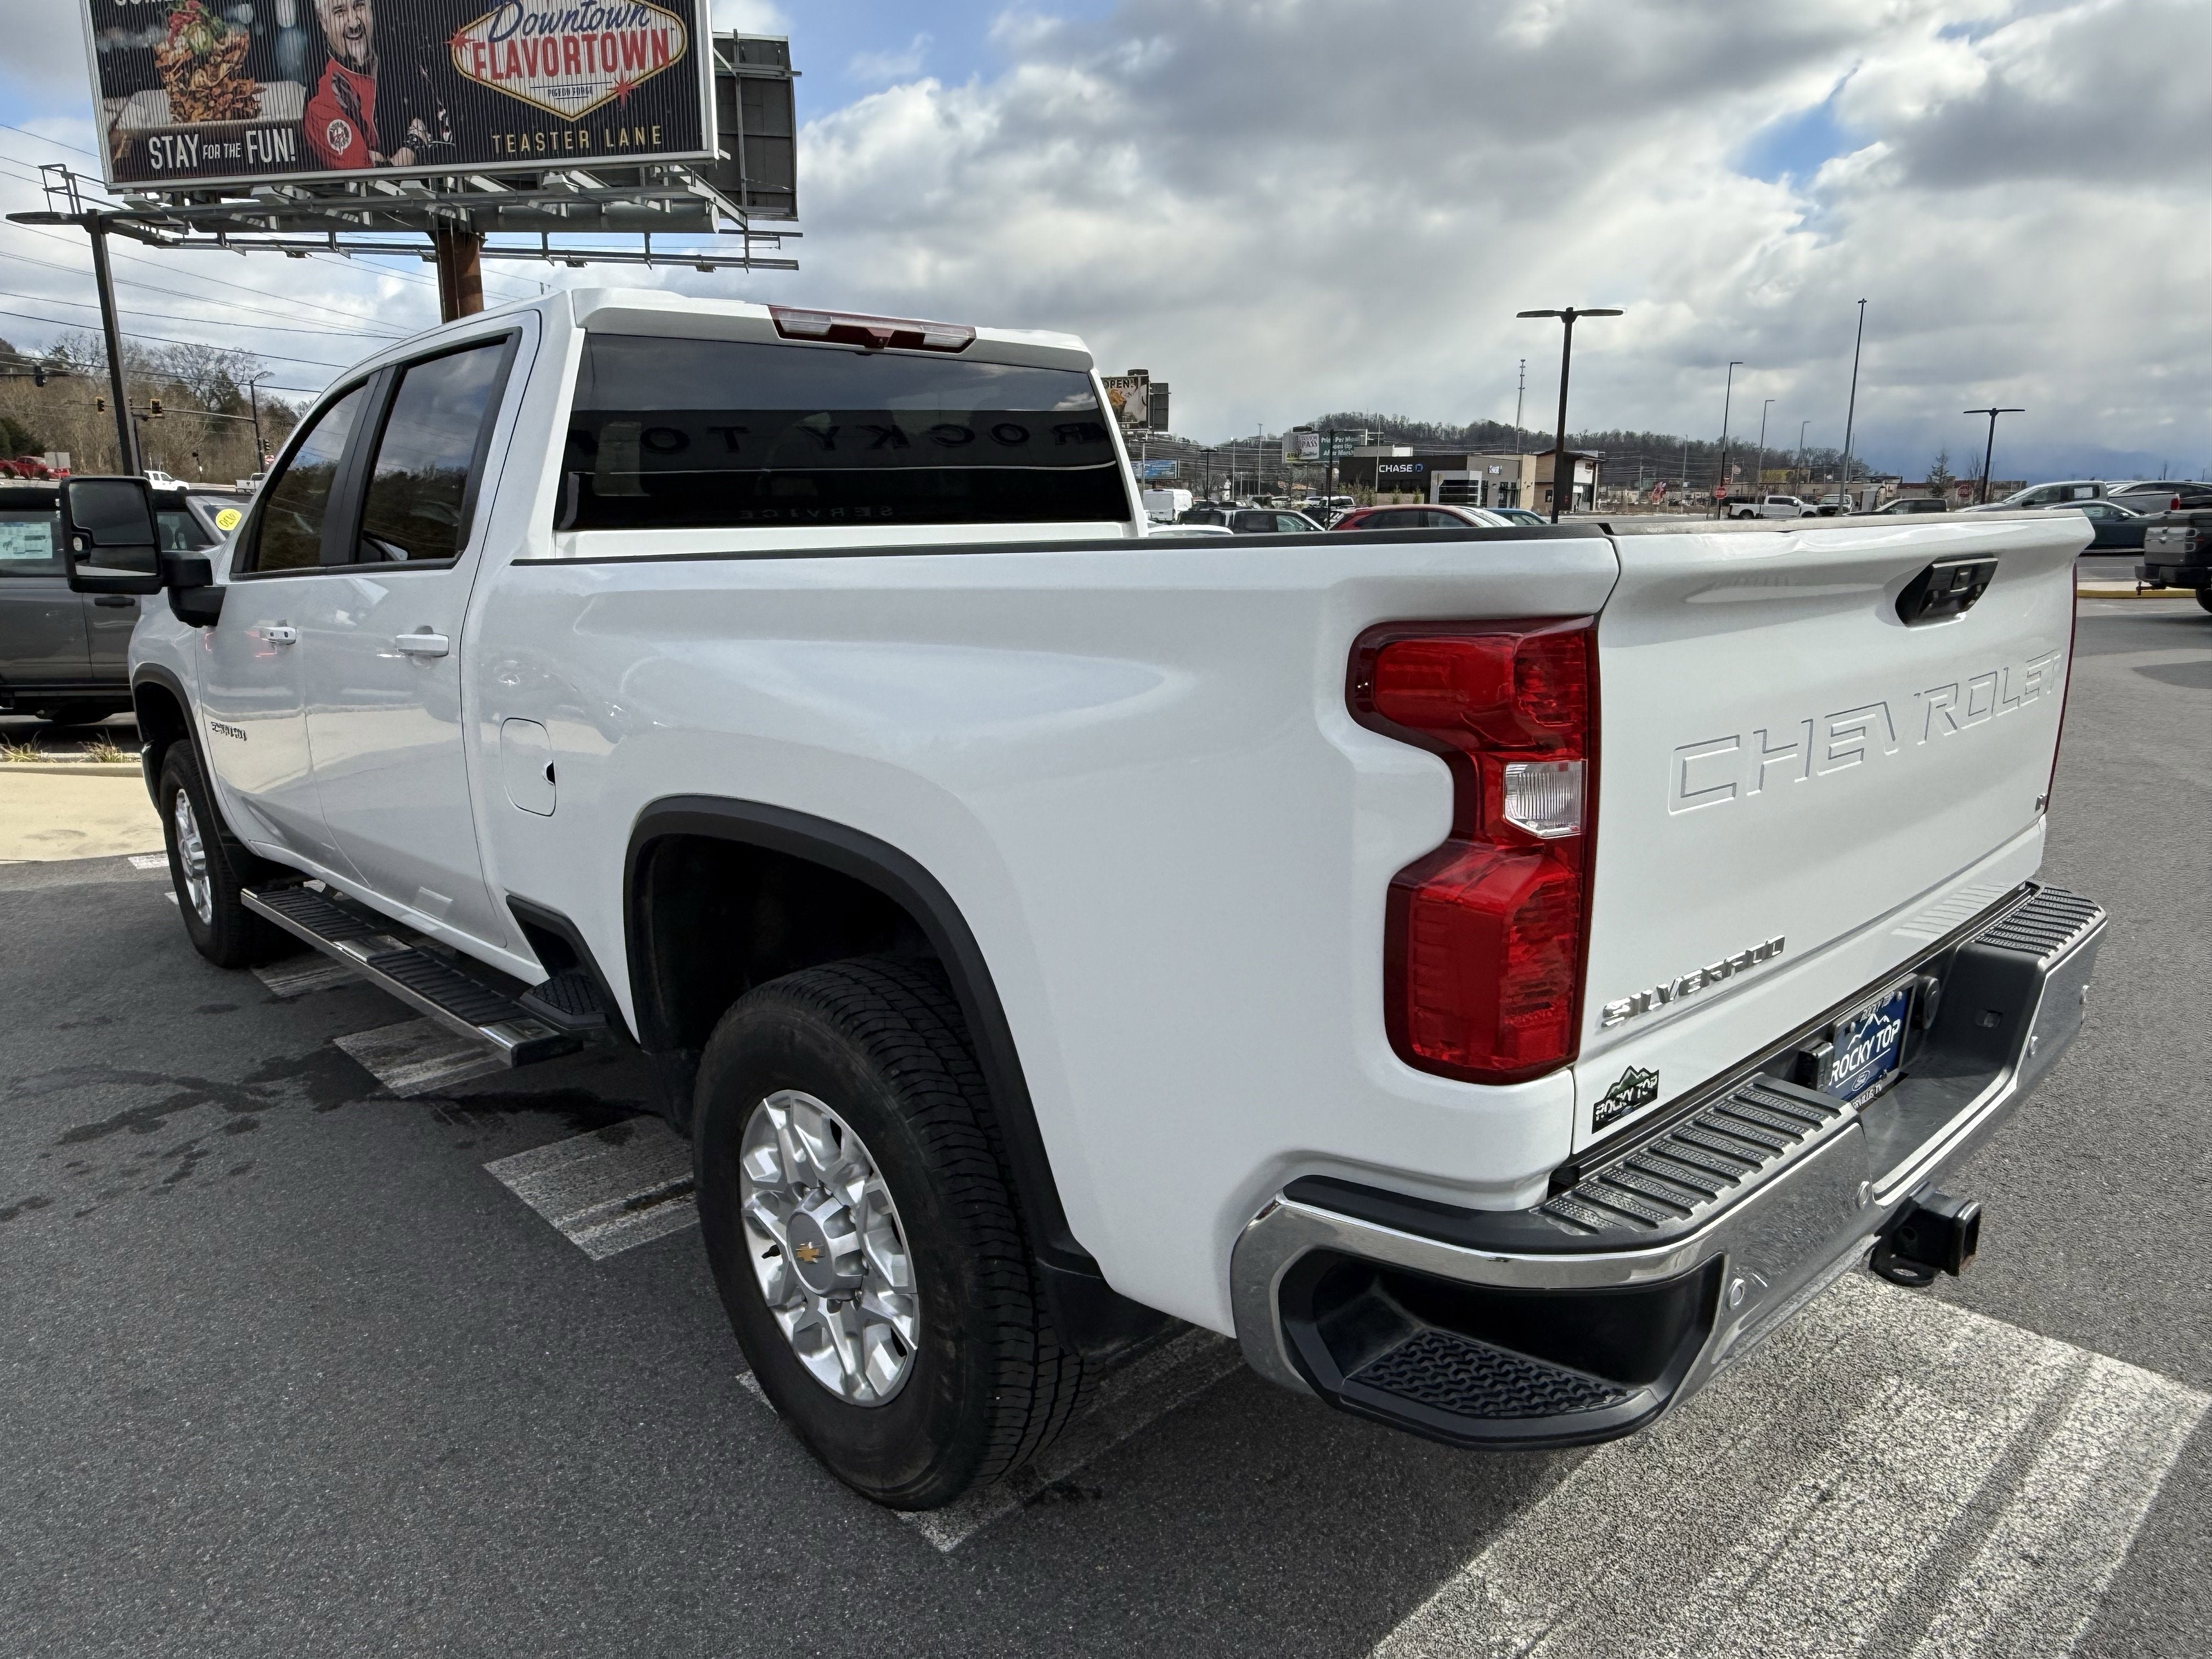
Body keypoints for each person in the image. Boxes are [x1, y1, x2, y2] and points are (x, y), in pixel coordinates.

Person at [303, 0, 454, 171]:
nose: (354, 23)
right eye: (340, 12)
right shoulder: (322, 103)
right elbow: (370, 180)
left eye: (359, 6)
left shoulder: (402, 59)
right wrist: (412, 148)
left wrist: (388, 159)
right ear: (324, 21)